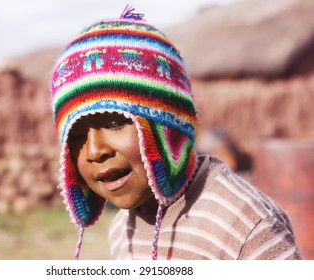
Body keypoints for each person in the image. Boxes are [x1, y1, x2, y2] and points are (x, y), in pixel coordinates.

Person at [49, 6, 302, 260]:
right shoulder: (122, 231)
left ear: (169, 130)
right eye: (76, 135)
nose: (94, 151)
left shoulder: (245, 227)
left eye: (116, 123)